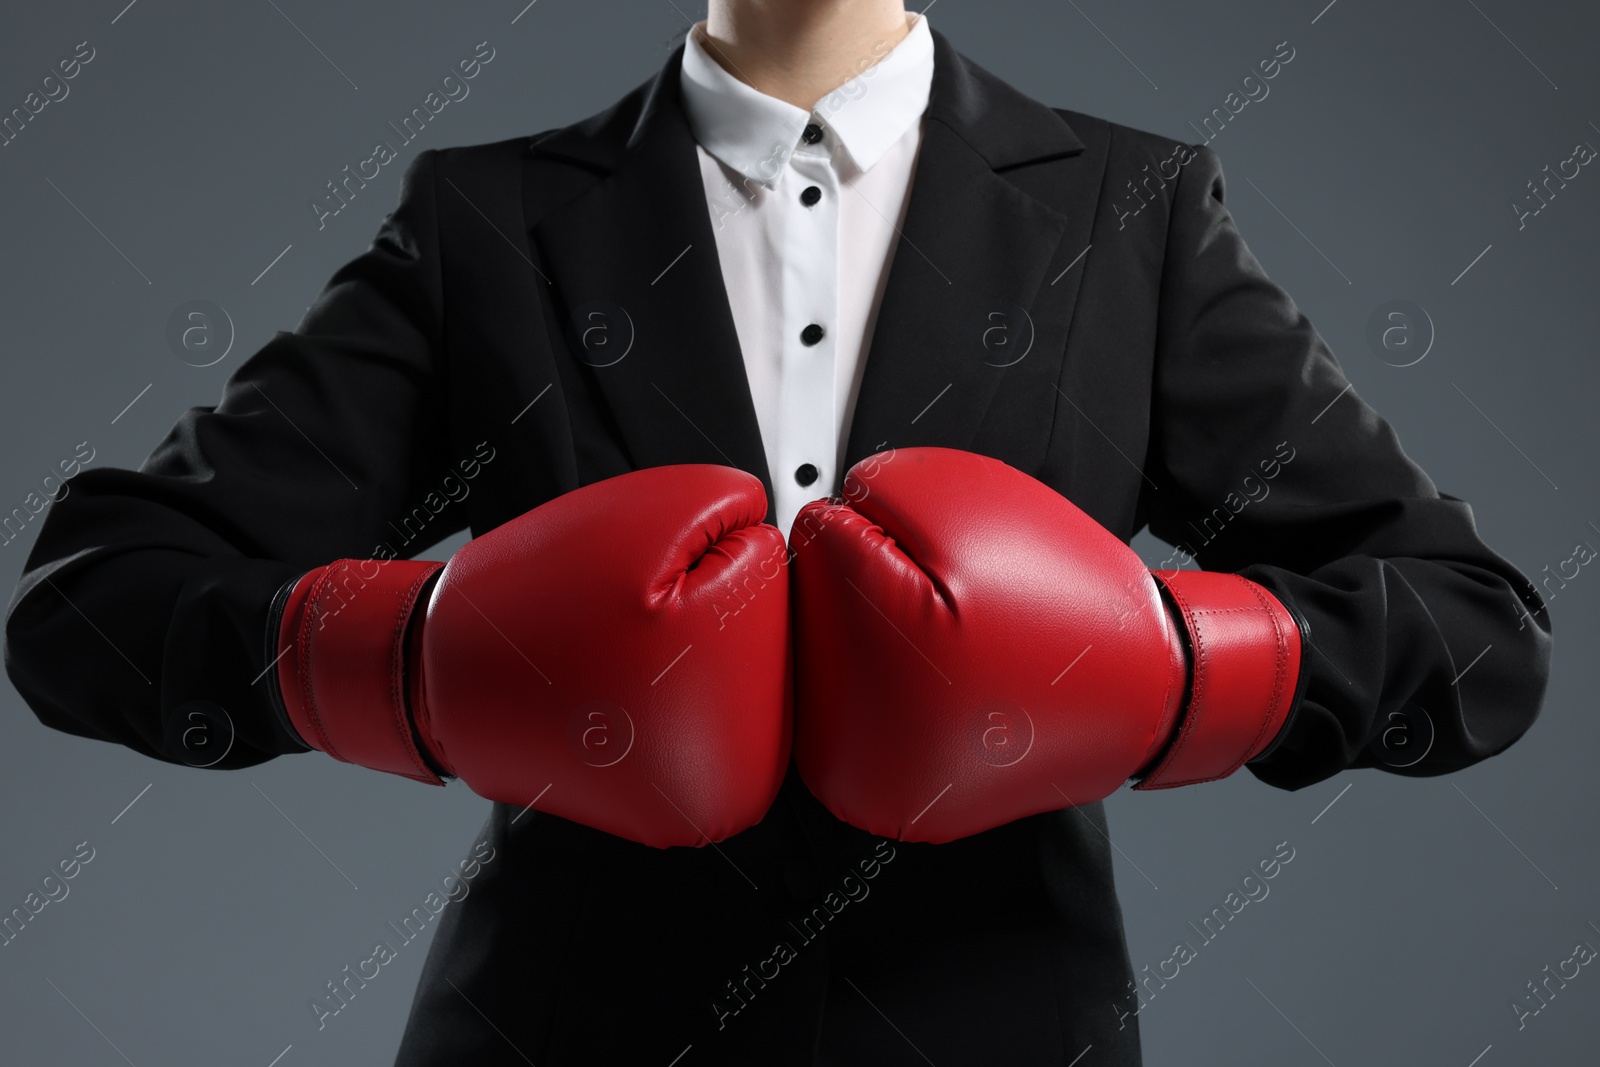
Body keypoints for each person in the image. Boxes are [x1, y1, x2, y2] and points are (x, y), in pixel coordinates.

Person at [3, 2, 1552, 1064]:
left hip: (1003, 1031)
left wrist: (1163, 670)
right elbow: (93, 600)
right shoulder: (486, 222)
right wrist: (410, 663)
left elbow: (1473, 632)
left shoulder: (1128, 214)